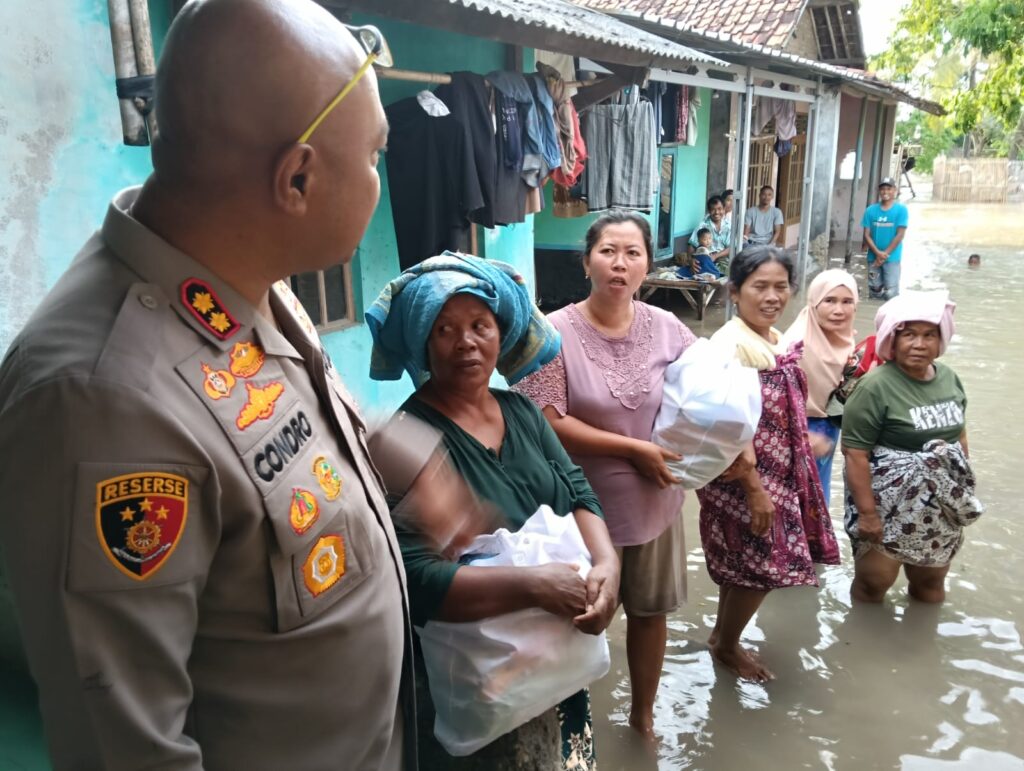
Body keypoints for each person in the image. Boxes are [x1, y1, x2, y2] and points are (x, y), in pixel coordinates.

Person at [0, 2, 421, 768]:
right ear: (296, 177)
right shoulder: (103, 402)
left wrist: (416, 466)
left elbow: (303, 442)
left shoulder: (246, 281)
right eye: (375, 155)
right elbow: (126, 747)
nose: (378, 177)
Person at [365, 253, 619, 770]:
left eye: (480, 325)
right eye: (444, 330)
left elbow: (577, 490)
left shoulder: (521, 410)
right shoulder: (406, 439)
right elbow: (412, 580)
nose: (466, 343)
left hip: (555, 660)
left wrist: (608, 564)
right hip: (478, 677)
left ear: (501, 334)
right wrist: (532, 587)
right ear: (422, 344)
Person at [515, 210, 701, 739]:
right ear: (587, 261)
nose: (620, 264)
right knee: (578, 621)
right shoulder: (553, 332)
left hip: (658, 503)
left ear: (648, 263)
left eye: (633, 253)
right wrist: (634, 449)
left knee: (650, 613)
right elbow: (548, 421)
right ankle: (572, 729)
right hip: (583, 511)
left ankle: (642, 721)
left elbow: (704, 393)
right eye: (608, 251)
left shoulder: (668, 326)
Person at [697, 246, 840, 682]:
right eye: (760, 286)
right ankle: (726, 645)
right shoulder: (729, 346)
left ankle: (723, 636)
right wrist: (754, 486)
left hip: (775, 473)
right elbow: (723, 425)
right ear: (735, 292)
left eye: (781, 286)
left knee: (746, 563)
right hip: (745, 476)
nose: (773, 296)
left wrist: (801, 439)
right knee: (761, 567)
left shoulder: (773, 339)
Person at [842, 291, 982, 604]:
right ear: (893, 339)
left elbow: (959, 436)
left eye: (929, 335)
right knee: (874, 583)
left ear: (941, 339)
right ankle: (863, 646)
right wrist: (868, 515)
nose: (919, 344)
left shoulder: (949, 379)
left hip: (940, 505)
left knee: (930, 584)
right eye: (909, 335)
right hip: (887, 506)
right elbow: (855, 454)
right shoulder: (875, 386)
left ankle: (923, 645)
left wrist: (964, 488)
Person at [782, 269, 859, 503]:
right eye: (829, 300)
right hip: (794, 432)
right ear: (814, 302)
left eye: (847, 302)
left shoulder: (845, 339)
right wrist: (801, 436)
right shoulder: (795, 348)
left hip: (828, 429)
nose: (838, 310)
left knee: (818, 498)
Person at [861, 177, 909, 300]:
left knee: (891, 292)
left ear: (895, 190)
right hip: (873, 257)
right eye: (882, 189)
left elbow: (900, 235)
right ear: (879, 191)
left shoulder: (901, 210)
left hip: (892, 257)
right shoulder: (870, 210)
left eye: (889, 188)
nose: (885, 192)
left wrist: (884, 255)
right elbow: (866, 234)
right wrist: (877, 253)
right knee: (874, 290)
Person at [688, 195, 732, 274]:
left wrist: (715, 256)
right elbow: (691, 245)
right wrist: (692, 260)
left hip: (722, 259)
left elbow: (730, 247)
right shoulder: (702, 226)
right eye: (713, 209)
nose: (716, 212)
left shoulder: (728, 226)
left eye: (719, 209)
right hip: (705, 258)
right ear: (709, 210)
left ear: (724, 209)